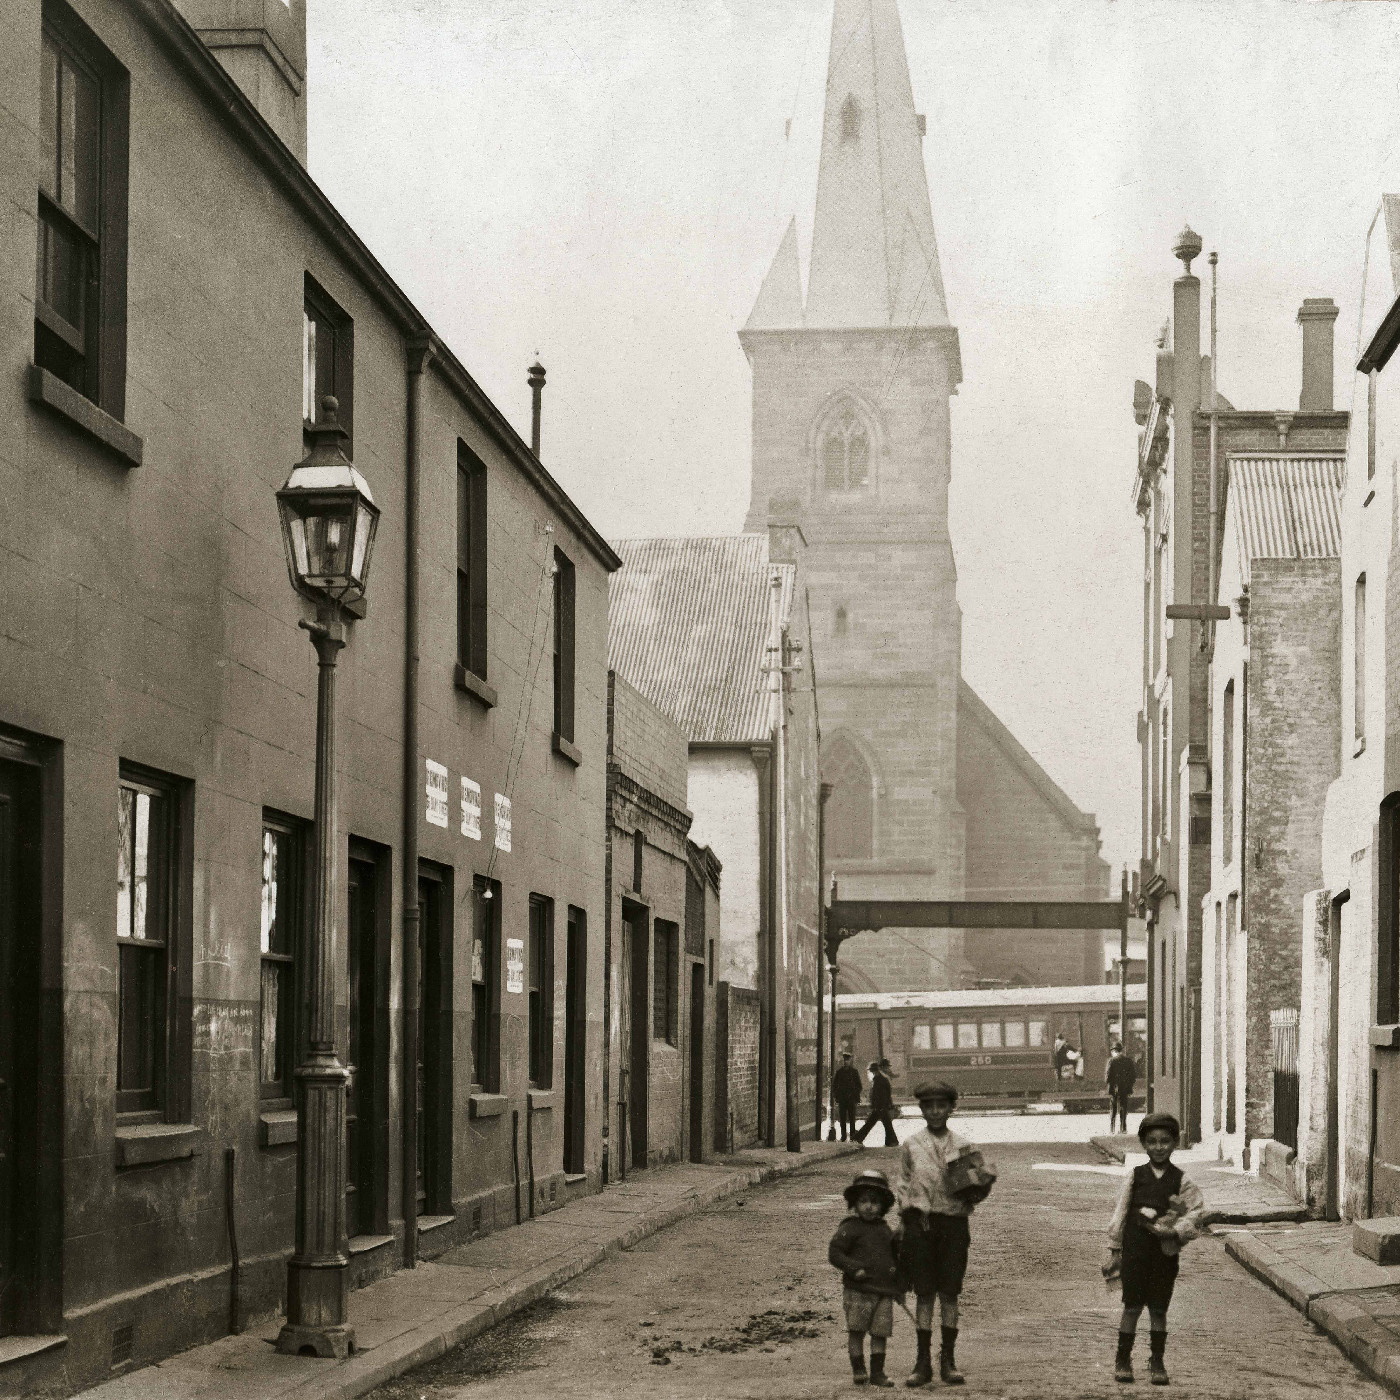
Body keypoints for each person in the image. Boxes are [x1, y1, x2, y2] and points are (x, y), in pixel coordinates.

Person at [893, 1080, 986, 1387]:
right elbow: (904, 1187)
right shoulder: (911, 1145)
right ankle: (922, 1361)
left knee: (949, 1292)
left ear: (950, 1108)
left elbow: (975, 1191)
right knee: (924, 1293)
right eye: (928, 1106)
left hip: (953, 1226)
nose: (935, 1112)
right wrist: (905, 1221)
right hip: (921, 1226)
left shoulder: (965, 1146)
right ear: (921, 1109)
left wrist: (980, 1185)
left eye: (941, 1106)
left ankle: (948, 1359)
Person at [1104, 1112, 1205, 1385]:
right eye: (1152, 1142)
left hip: (1164, 1254)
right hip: (1135, 1252)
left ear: (1174, 1143)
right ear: (1143, 1144)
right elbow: (1120, 1213)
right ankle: (1122, 1359)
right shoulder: (1135, 1177)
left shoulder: (1182, 1181)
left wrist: (1174, 1230)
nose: (1159, 1147)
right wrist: (1115, 1249)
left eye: (1165, 1141)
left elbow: (1195, 1213)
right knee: (1132, 1306)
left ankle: (1157, 1361)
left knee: (1159, 1309)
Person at [829, 1168, 903, 1388]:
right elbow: (835, 1253)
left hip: (883, 1293)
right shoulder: (849, 1227)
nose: (869, 1206)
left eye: (874, 1202)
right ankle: (859, 1369)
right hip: (858, 1290)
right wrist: (853, 1268)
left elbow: (893, 1260)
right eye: (863, 1201)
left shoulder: (884, 1229)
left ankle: (878, 1372)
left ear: (883, 1206)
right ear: (855, 1203)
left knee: (880, 1333)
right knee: (857, 1331)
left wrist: (898, 1286)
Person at [855, 1059, 897, 1146]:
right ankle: (892, 1141)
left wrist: (875, 1104)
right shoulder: (880, 1079)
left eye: (870, 1071)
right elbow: (887, 1093)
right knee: (884, 1124)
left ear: (873, 1071)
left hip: (880, 1106)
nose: (869, 1074)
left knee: (873, 1123)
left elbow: (878, 1094)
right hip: (881, 1105)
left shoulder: (878, 1080)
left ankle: (857, 1138)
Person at [1106, 1042, 1138, 1134]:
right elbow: (1133, 1076)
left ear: (1114, 1051)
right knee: (1123, 1108)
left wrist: (1111, 1084)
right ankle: (1123, 1128)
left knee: (1113, 1109)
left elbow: (1107, 1077)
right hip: (1125, 1088)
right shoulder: (1128, 1061)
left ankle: (1112, 1129)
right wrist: (1129, 1085)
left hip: (1114, 1088)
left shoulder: (1111, 1061)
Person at [832, 1050, 863, 1142]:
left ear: (850, 1061)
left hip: (851, 1099)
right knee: (842, 1119)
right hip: (842, 1099)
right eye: (844, 1060)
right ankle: (843, 1136)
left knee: (852, 1118)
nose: (846, 1062)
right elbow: (834, 1086)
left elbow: (859, 1086)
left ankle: (853, 1135)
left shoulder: (854, 1072)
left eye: (848, 1060)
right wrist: (837, 1096)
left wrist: (854, 1095)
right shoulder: (839, 1072)